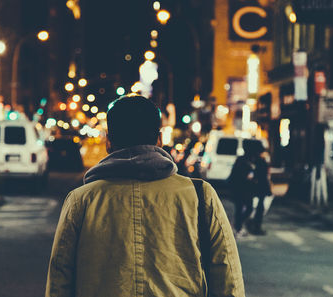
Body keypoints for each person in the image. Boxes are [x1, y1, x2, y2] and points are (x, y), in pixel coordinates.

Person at [46, 95, 245, 297]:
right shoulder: (199, 196)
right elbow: (227, 276)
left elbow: (60, 280)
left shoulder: (81, 200)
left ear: (109, 142)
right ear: (159, 139)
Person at [227, 143, 262, 237]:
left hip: (247, 189)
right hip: (240, 188)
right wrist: (247, 177)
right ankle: (237, 227)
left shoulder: (250, 160)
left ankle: (238, 225)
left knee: (248, 208)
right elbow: (236, 175)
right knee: (240, 208)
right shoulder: (242, 161)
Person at [247, 150, 271, 235]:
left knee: (259, 207)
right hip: (261, 188)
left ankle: (254, 225)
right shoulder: (261, 163)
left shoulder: (258, 162)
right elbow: (263, 177)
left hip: (260, 188)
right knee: (259, 208)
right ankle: (256, 226)